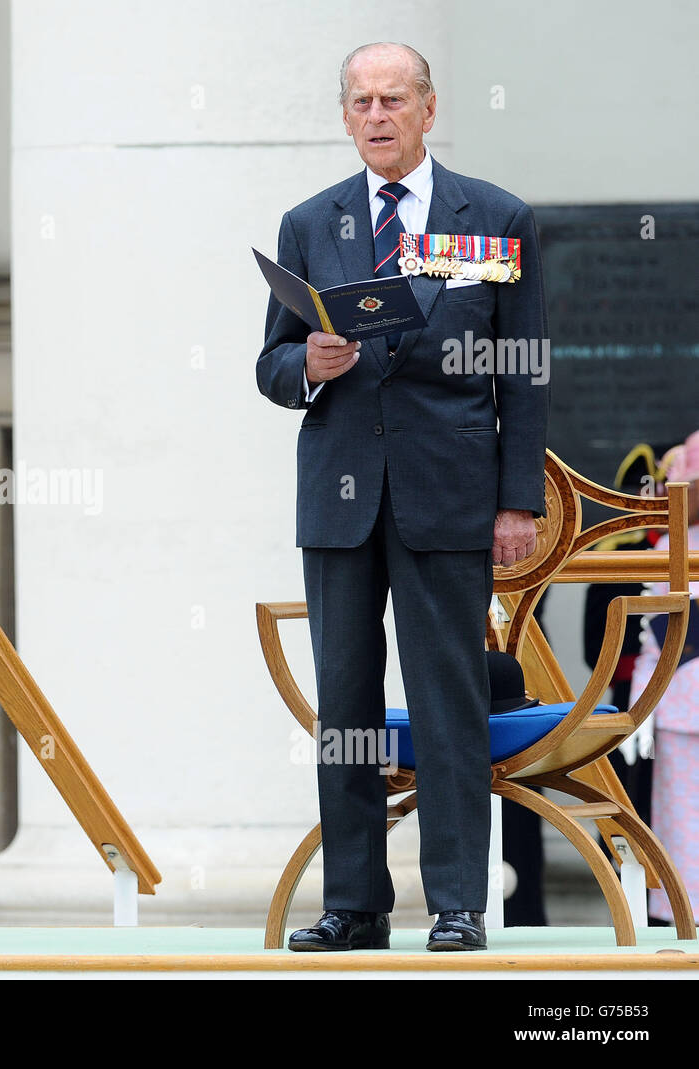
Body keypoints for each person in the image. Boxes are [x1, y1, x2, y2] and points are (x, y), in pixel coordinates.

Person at [256, 43, 549, 951]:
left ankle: (459, 900)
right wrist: (305, 362)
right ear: (344, 117)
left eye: (394, 98)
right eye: (360, 101)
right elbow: (268, 366)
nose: (377, 115)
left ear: (429, 108)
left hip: (450, 491)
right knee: (344, 704)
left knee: (447, 695)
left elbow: (524, 371)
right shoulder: (311, 223)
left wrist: (517, 499)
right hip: (341, 498)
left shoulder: (494, 217)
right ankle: (354, 903)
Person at [629, 431, 699, 925]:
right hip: (678, 706)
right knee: (681, 835)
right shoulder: (671, 544)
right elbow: (654, 636)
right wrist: (641, 707)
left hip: (679, 697)